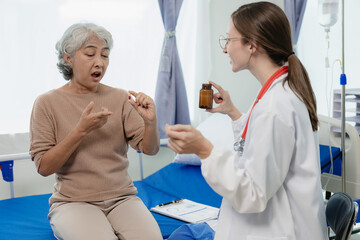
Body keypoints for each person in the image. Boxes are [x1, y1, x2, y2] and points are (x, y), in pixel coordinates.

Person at [165, 2, 328, 240]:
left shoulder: (274, 106)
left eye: (229, 40)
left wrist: (204, 150)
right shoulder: (278, 93)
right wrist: (233, 112)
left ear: (251, 44)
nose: (225, 49)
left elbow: (253, 192)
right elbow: (263, 147)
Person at [29, 23, 162, 240]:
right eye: (90, 54)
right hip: (73, 202)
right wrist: (80, 131)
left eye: (105, 55)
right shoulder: (46, 103)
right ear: (68, 58)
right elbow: (44, 167)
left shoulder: (120, 97)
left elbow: (151, 149)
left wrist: (150, 122)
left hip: (123, 199)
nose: (99, 62)